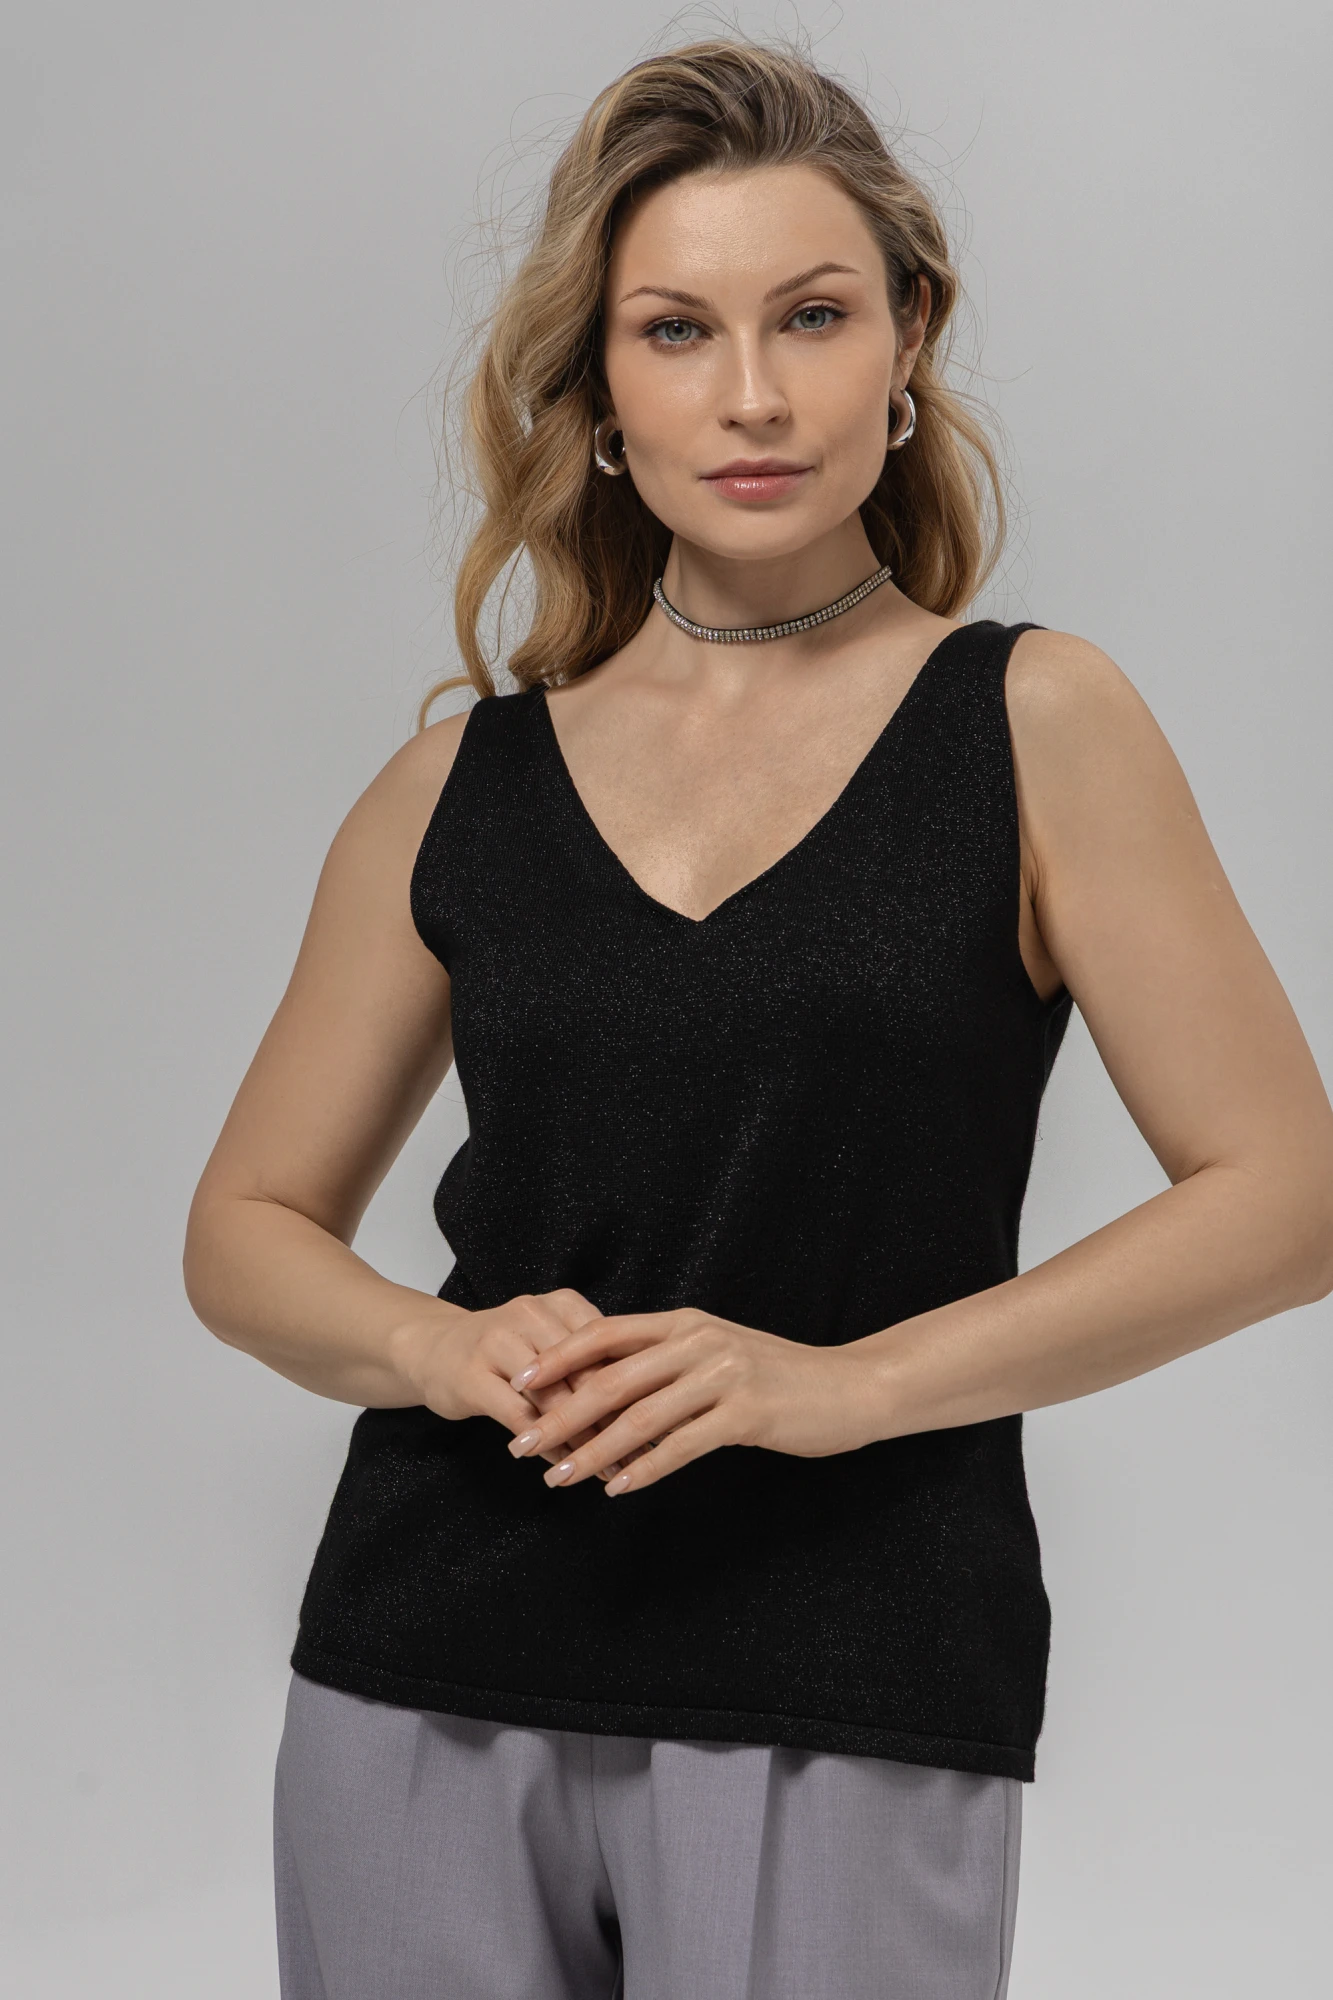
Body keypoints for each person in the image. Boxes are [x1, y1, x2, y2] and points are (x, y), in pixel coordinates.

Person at [182, 36, 1333, 2000]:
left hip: (850, 1667)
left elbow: (1289, 1194)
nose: (752, 395)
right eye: (675, 330)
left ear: (908, 341)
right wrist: (439, 1349)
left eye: (811, 316)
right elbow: (243, 1228)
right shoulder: (458, 783)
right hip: (423, 1665)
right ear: (597, 389)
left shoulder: (1035, 725)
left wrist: (839, 1386)